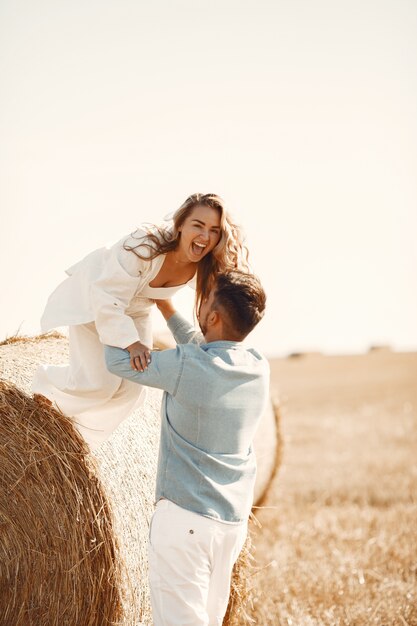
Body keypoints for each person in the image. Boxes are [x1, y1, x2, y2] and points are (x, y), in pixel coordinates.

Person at [104, 270, 269, 626]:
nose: (200, 302)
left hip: (185, 525)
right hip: (229, 527)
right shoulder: (257, 366)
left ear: (213, 316)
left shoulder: (185, 365)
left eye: (205, 299)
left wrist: (113, 314)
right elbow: (202, 344)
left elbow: (116, 362)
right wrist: (164, 304)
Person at [32, 193, 248, 450]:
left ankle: (75, 437)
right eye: (197, 225)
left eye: (213, 230)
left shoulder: (204, 266)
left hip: (136, 311)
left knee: (131, 392)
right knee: (100, 385)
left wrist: (217, 353)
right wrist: (131, 342)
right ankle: (44, 385)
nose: (204, 236)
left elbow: (214, 312)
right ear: (180, 225)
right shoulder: (145, 245)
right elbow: (107, 297)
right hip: (97, 299)